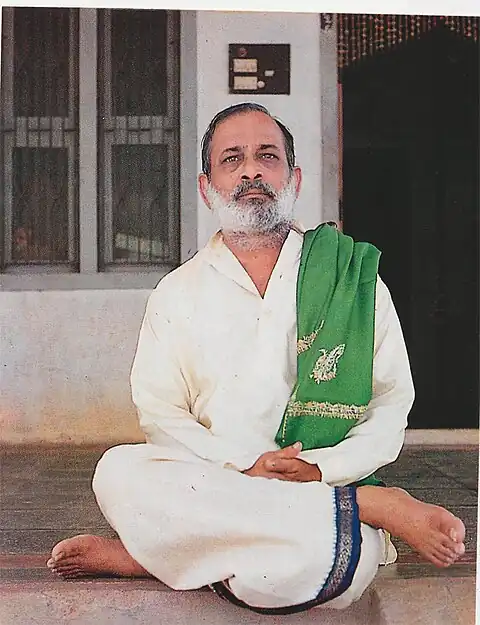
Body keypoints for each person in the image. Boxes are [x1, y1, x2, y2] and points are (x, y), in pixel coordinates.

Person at [47, 103, 465, 613]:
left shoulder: (352, 278)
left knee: (319, 568)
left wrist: (319, 469)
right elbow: (161, 415)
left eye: (267, 156)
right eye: (232, 159)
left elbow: (390, 403)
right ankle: (369, 506)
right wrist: (245, 466)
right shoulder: (177, 293)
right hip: (228, 480)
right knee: (117, 471)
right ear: (207, 188)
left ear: (294, 178)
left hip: (326, 479)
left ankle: (165, 554)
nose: (251, 171)